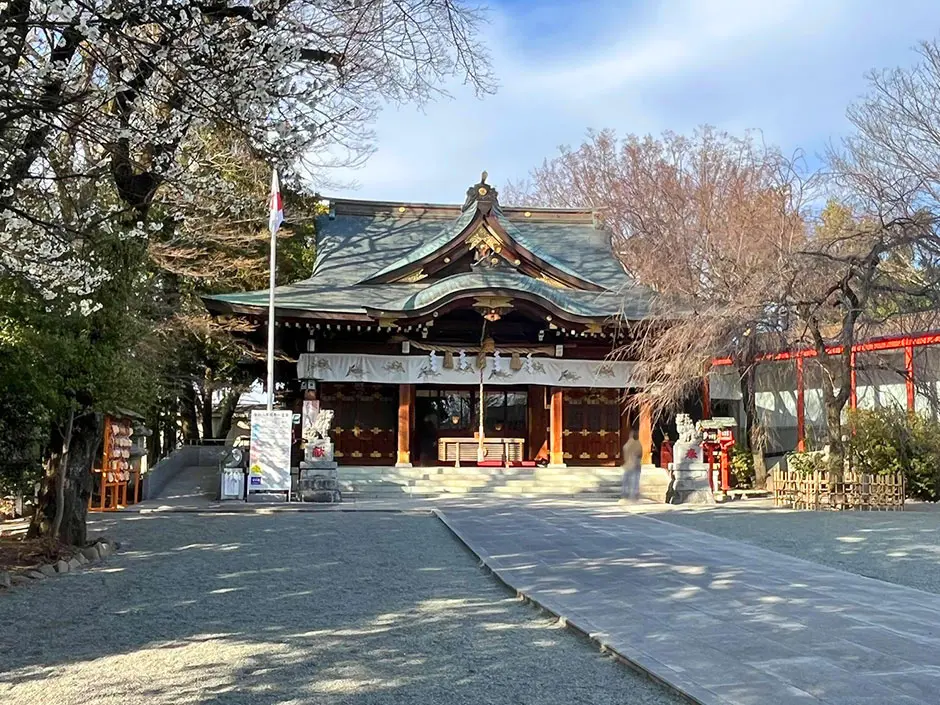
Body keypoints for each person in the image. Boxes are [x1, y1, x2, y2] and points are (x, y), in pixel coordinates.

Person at [621, 429, 643, 501]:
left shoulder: (628, 444)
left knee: (626, 480)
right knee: (634, 481)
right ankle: (633, 495)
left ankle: (625, 494)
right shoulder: (637, 444)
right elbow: (640, 454)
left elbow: (625, 451)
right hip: (635, 464)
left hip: (628, 464)